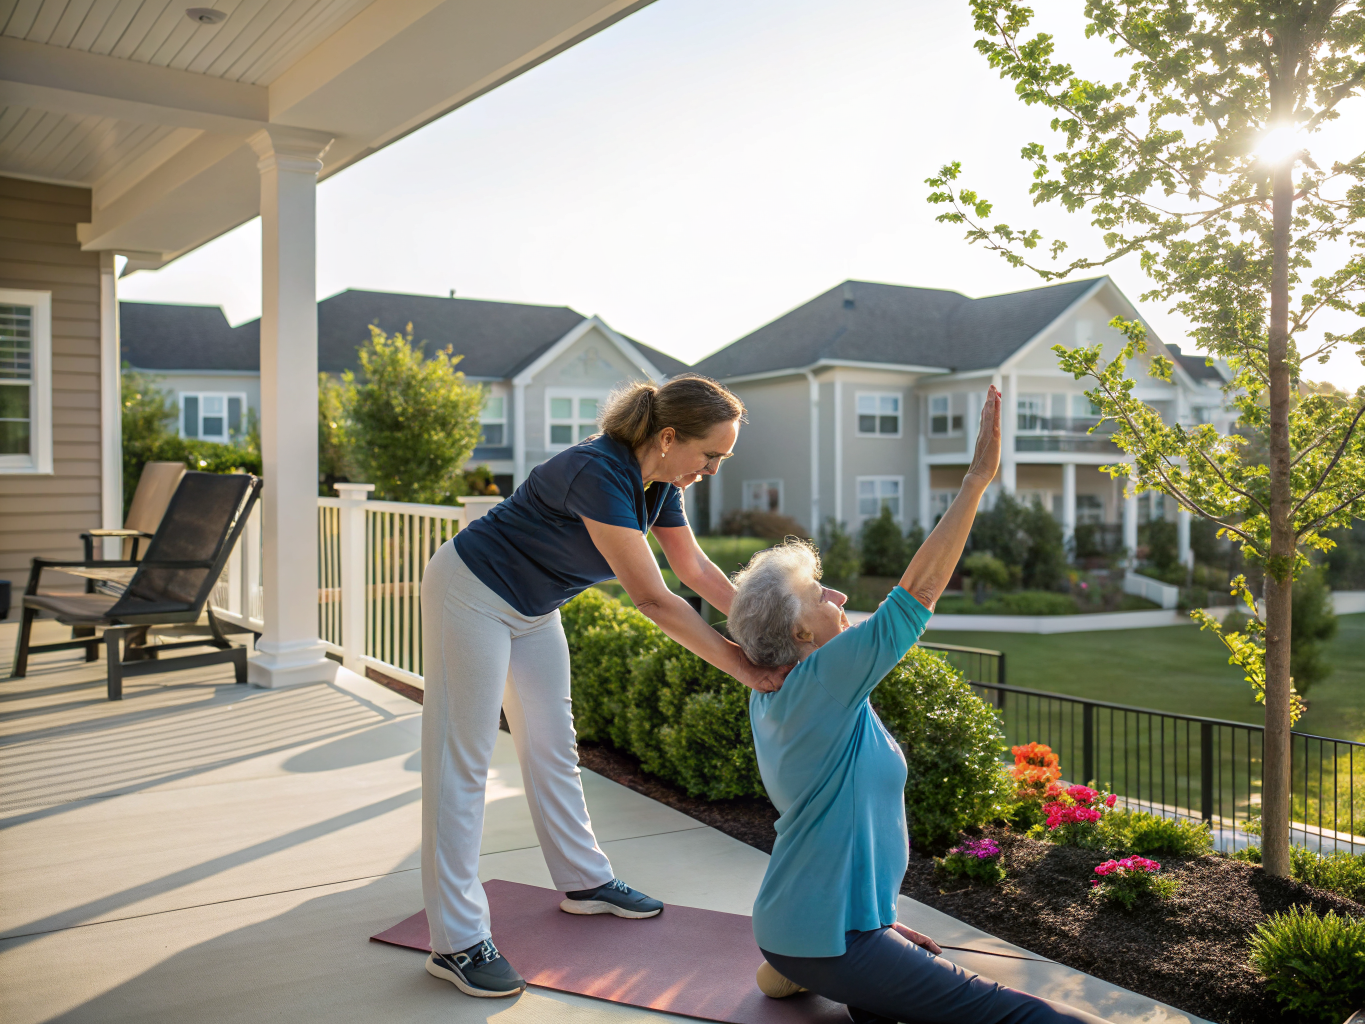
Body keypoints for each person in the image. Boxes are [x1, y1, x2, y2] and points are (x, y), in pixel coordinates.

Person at [727, 386, 1112, 1024]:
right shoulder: (825, 677)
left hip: (794, 928)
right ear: (799, 635)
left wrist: (880, 928)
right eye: (822, 595)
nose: (841, 596)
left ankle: (801, 970)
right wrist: (977, 479)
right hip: (832, 941)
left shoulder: (774, 692)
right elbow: (919, 592)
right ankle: (824, 967)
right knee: (1020, 1015)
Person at [420, 373, 790, 999]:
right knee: (465, 760)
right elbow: (651, 597)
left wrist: (769, 633)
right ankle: (455, 942)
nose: (713, 470)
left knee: (552, 746)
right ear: (669, 437)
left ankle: (584, 881)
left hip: (535, 610)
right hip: (472, 593)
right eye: (711, 456)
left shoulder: (659, 481)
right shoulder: (596, 470)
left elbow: (694, 568)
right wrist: (748, 669)